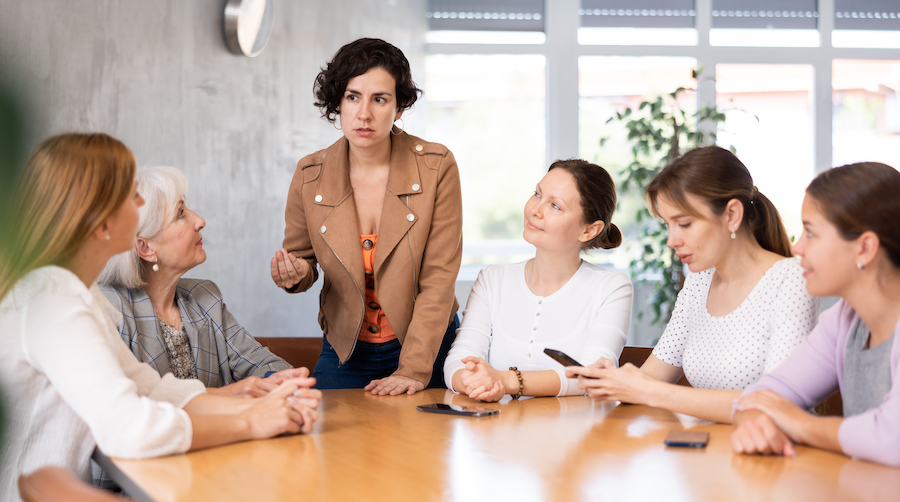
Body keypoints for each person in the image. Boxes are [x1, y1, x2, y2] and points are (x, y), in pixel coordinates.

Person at [0, 133, 321, 502]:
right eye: (130, 194)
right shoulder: (52, 298)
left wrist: (261, 405)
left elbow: (151, 389)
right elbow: (129, 427)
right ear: (100, 223)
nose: (139, 203)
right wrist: (250, 421)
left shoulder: (71, 291)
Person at [567, 146, 819, 423]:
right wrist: (615, 380)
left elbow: (774, 404)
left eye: (684, 224)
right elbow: (653, 376)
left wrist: (649, 391)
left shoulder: (791, 279)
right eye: (667, 225)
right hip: (707, 451)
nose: (671, 240)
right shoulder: (700, 282)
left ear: (732, 215)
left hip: (772, 458)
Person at [269, 38, 462, 395]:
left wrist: (414, 370)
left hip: (427, 347)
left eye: (380, 99)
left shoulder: (437, 166)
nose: (364, 114)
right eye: (353, 97)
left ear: (400, 107)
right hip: (346, 351)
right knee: (329, 443)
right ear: (337, 103)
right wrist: (295, 273)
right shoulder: (309, 173)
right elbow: (303, 263)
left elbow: (439, 278)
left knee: (421, 448)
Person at [731, 162, 900, 467]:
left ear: (864, 248)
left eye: (811, 233)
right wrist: (754, 423)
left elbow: (892, 440)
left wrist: (799, 424)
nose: (797, 247)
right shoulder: (845, 319)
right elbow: (760, 395)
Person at [99, 166, 303, 398]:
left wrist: (277, 380)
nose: (200, 221)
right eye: (181, 214)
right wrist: (226, 395)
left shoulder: (205, 298)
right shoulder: (108, 309)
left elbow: (264, 364)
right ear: (146, 247)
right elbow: (126, 406)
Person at [443, 159, 633, 401]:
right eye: (537, 194)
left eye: (555, 206)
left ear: (589, 230)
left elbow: (592, 375)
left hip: (577, 435)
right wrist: (473, 381)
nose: (535, 209)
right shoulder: (492, 279)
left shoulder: (612, 287)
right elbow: (458, 361)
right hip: (498, 430)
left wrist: (505, 380)